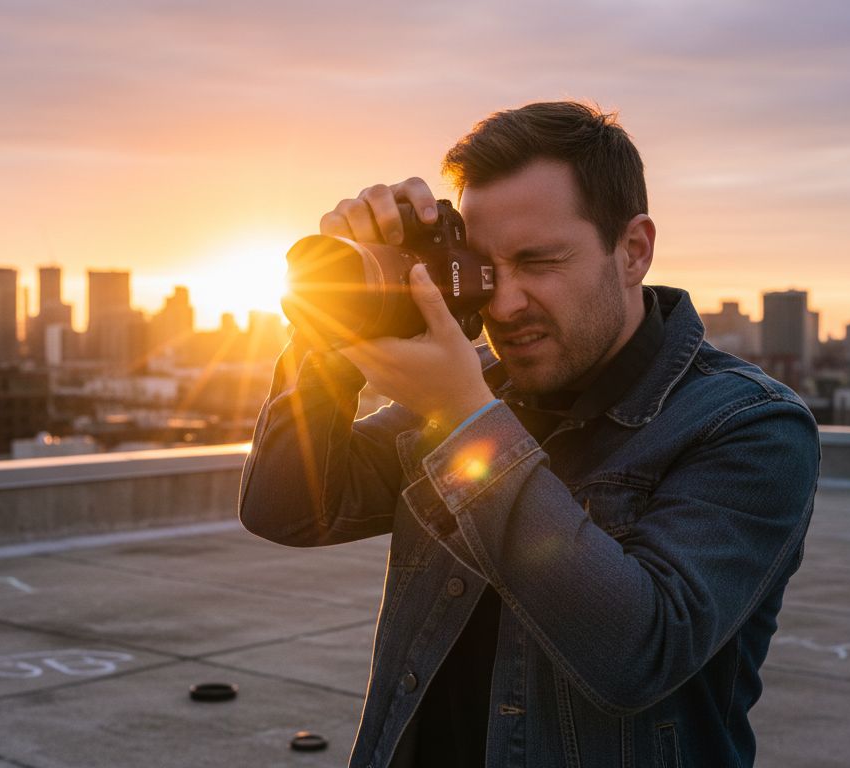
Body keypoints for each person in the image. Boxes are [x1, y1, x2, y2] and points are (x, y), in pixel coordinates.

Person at [238, 101, 819, 768]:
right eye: (485, 269)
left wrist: (463, 420)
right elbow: (289, 509)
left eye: (539, 262)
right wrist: (336, 327)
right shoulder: (478, 388)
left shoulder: (748, 425)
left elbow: (638, 654)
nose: (504, 305)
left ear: (633, 251)